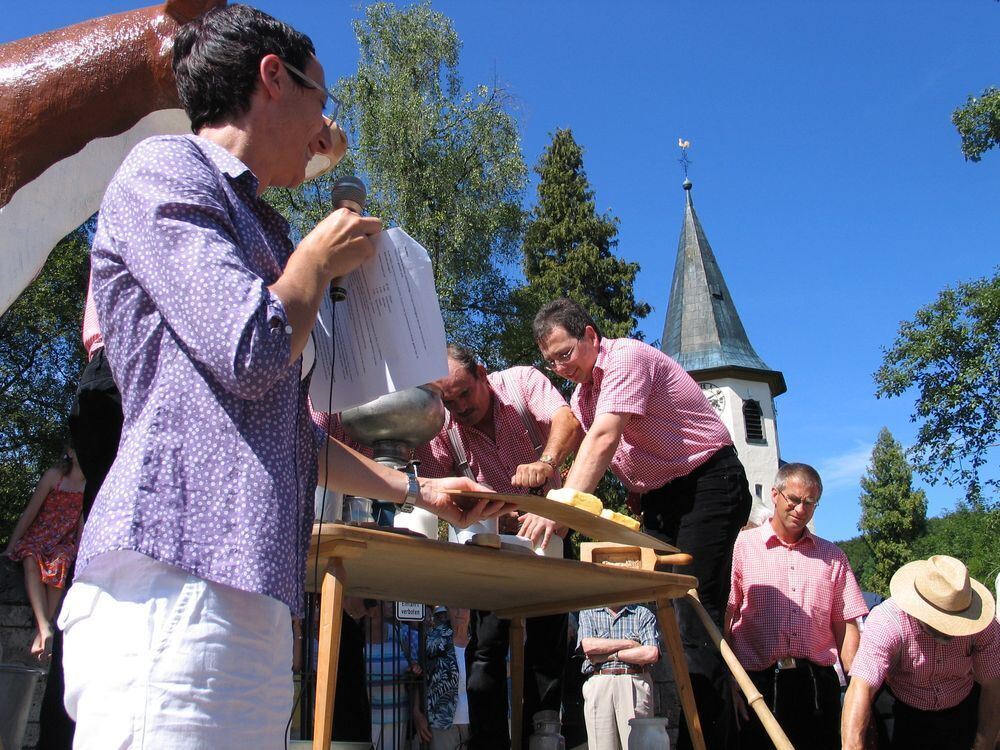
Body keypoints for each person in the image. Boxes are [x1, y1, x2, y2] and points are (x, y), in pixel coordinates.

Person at [55, 6, 507, 747]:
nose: (327, 123)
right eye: (321, 99)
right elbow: (250, 350)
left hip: (252, 587)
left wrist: (420, 489)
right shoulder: (164, 167)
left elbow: (289, 435)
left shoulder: (259, 224)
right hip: (174, 577)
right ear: (273, 76)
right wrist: (316, 260)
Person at [533, 297, 752, 749]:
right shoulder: (583, 394)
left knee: (694, 616)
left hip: (707, 481)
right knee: (666, 617)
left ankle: (709, 740)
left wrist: (560, 512)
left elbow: (605, 437)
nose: (559, 367)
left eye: (564, 353)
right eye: (550, 361)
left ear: (591, 335)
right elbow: (595, 441)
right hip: (665, 498)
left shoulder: (626, 359)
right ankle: (684, 730)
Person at [414, 343, 585, 747]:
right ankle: (488, 741)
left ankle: (544, 735)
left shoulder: (523, 384)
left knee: (549, 643)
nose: (458, 406)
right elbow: (438, 495)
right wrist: (486, 511)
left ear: (483, 375)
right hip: (490, 547)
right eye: (447, 399)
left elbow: (569, 423)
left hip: (549, 539)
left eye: (463, 393)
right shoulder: (440, 432)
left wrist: (546, 462)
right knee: (486, 647)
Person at [724, 463, 868, 749]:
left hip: (816, 687)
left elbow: (847, 626)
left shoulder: (833, 556)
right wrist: (730, 682)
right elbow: (726, 618)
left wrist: (857, 685)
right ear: (775, 495)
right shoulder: (741, 547)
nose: (801, 509)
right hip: (757, 685)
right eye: (794, 499)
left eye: (810, 503)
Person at [842, 555, 1000, 750]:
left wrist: (984, 742)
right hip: (902, 709)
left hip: (961, 707)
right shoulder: (888, 620)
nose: (948, 629)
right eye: (940, 621)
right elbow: (861, 686)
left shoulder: (984, 626)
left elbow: (993, 685)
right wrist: (852, 746)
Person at [4, 449, 85, 661]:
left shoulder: (89, 486)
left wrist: (82, 555)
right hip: (39, 535)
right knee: (30, 557)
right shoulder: (54, 476)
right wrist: (11, 546)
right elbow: (31, 511)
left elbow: (82, 526)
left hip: (62, 542)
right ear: (70, 453)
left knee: (61, 562)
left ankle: (43, 631)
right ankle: (44, 625)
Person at [577, 603, 661, 749]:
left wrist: (609, 655)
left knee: (638, 745)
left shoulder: (642, 613)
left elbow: (650, 653)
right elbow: (589, 646)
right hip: (600, 682)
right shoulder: (588, 612)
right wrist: (629, 644)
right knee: (601, 745)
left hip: (633, 681)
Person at [413, 606, 474, 750]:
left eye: (464, 607)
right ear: (447, 609)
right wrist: (416, 712)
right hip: (440, 721)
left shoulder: (479, 642)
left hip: (477, 722)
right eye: (455, 607)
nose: (460, 612)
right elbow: (419, 678)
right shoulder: (433, 639)